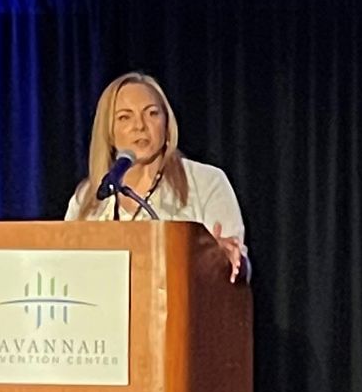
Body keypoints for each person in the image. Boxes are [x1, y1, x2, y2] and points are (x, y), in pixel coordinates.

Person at [65, 71, 247, 280]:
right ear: (109, 132)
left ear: (166, 123)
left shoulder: (206, 181)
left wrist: (224, 258)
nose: (140, 126)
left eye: (152, 113)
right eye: (125, 117)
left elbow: (240, 268)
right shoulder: (88, 196)